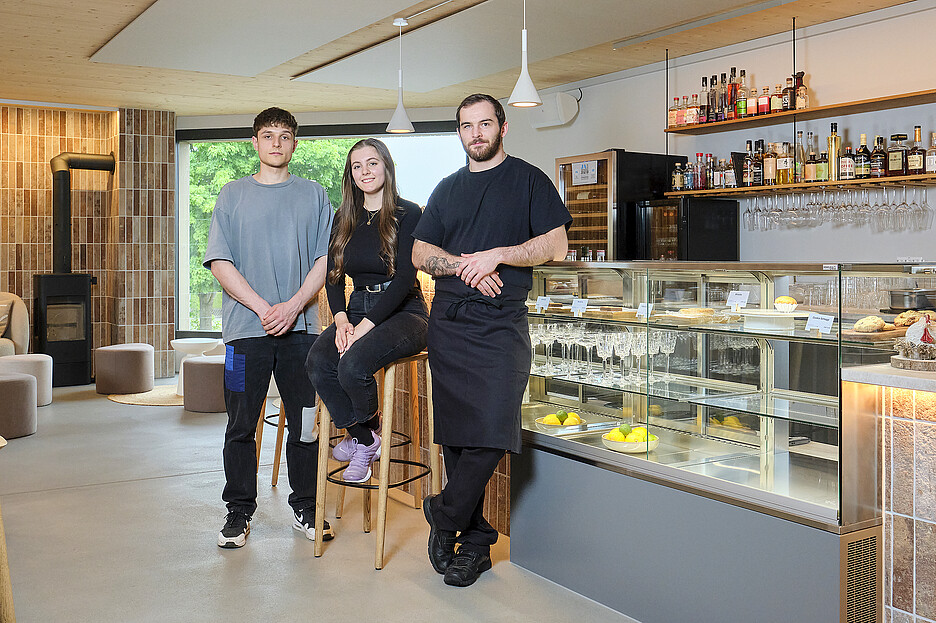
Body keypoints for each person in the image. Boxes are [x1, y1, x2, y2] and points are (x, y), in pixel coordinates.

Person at [412, 94, 570, 587]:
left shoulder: (528, 180)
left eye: (485, 124)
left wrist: (498, 254)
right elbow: (419, 250)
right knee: (459, 438)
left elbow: (556, 246)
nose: (475, 133)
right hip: (451, 323)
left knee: (493, 428)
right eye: (466, 126)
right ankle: (474, 547)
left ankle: (443, 511)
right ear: (459, 133)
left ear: (503, 128)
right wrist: (465, 265)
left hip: (502, 325)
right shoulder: (446, 188)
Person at [204, 107, 335, 548]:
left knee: (303, 422)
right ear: (255, 143)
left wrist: (294, 305)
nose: (276, 142)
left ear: (294, 144)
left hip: (302, 333)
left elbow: (325, 260)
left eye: (284, 135)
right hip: (244, 334)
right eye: (267, 135)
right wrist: (264, 308)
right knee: (240, 424)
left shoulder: (315, 195)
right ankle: (238, 513)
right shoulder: (231, 195)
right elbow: (220, 262)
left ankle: (306, 507)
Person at [306, 139, 427, 483]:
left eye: (372, 163)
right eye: (357, 166)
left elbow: (405, 278)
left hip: (405, 311)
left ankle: (362, 437)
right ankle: (364, 437)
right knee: (317, 363)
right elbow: (333, 275)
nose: (365, 171)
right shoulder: (344, 217)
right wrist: (342, 319)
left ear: (387, 167)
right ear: (351, 175)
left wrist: (363, 328)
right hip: (356, 308)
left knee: (353, 364)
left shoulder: (409, 213)